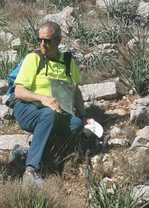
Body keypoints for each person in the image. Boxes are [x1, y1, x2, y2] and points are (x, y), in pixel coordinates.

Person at [11, 21, 90, 185]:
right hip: (27, 108)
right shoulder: (33, 58)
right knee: (48, 115)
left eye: (47, 40)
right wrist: (42, 98)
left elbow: (75, 90)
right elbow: (19, 92)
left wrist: (83, 116)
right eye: (39, 39)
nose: (42, 44)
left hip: (57, 112)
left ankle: (26, 154)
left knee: (75, 125)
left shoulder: (67, 61)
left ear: (58, 41)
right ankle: (31, 171)